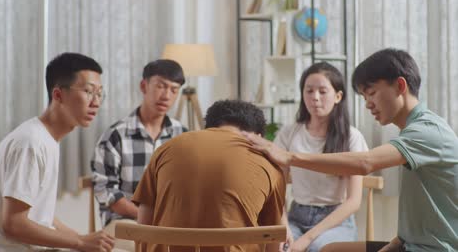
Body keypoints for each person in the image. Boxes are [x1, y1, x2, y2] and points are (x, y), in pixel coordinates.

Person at [243, 48, 458, 252]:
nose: (368, 104)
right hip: (407, 244)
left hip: (436, 249)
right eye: (364, 97)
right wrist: (395, 243)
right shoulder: (412, 130)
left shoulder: (427, 131)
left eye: (371, 93)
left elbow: (365, 163)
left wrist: (289, 157)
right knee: (330, 250)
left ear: (401, 86)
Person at [0, 53, 115, 252]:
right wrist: (80, 243)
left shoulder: (46, 139)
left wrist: (82, 238)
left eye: (100, 93)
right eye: (88, 92)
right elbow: (13, 224)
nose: (96, 102)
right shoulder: (30, 143)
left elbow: (40, 215)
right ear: (58, 95)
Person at [132, 99, 286, 252]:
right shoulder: (269, 164)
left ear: (209, 127)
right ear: (258, 137)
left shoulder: (165, 149)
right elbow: (273, 239)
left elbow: (144, 225)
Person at [91, 59, 187, 250]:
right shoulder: (115, 135)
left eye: (174, 90)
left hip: (171, 225)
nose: (166, 95)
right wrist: (151, 219)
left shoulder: (183, 136)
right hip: (126, 223)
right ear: (144, 86)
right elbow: (109, 194)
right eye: (161, 86)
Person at [276, 62, 367, 252]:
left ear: (338, 96)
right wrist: (283, 226)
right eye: (309, 91)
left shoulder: (352, 137)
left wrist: (307, 239)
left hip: (336, 221)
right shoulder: (289, 133)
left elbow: (354, 201)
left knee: (317, 249)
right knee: (280, 248)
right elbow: (277, 191)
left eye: (323, 91)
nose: (315, 97)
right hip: (296, 216)